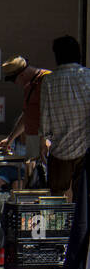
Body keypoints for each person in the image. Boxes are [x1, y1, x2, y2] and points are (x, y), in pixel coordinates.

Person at [40, 35, 90, 196]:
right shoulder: (88, 76)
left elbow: (45, 123)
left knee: (58, 205)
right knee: (83, 204)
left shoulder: (48, 81)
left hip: (60, 153)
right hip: (86, 151)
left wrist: (45, 140)